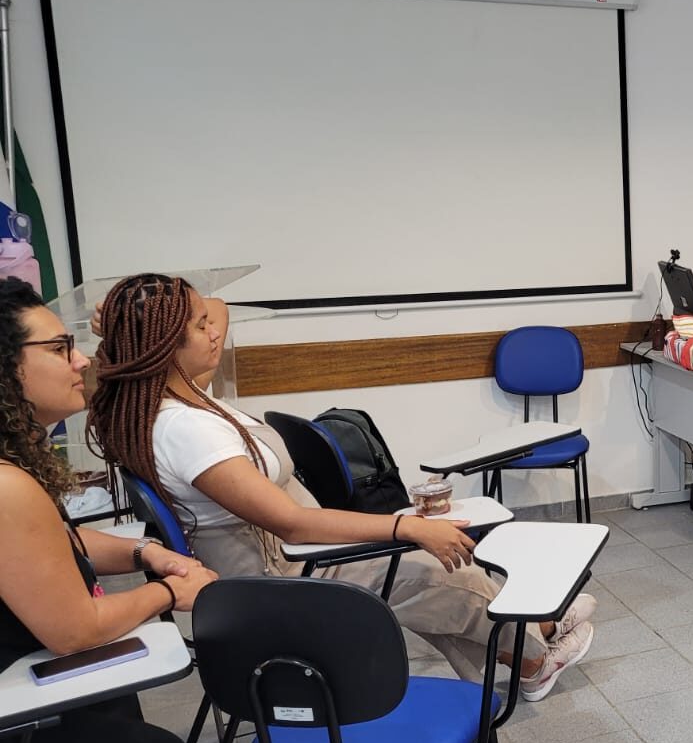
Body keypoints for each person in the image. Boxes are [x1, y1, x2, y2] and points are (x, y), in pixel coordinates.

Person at [86, 274, 595, 702]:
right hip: (279, 571)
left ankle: (522, 648)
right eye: (198, 327)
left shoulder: (162, 398)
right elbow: (290, 522)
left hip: (278, 556)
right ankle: (537, 648)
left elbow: (213, 308)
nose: (215, 330)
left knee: (430, 575)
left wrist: (130, 324)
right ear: (162, 347)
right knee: (434, 568)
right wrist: (407, 527)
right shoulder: (188, 430)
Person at [0, 277, 217, 743]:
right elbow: (75, 632)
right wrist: (171, 591)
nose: (81, 361)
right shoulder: (5, 486)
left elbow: (49, 548)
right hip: (33, 710)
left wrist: (143, 553)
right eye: (60, 349)